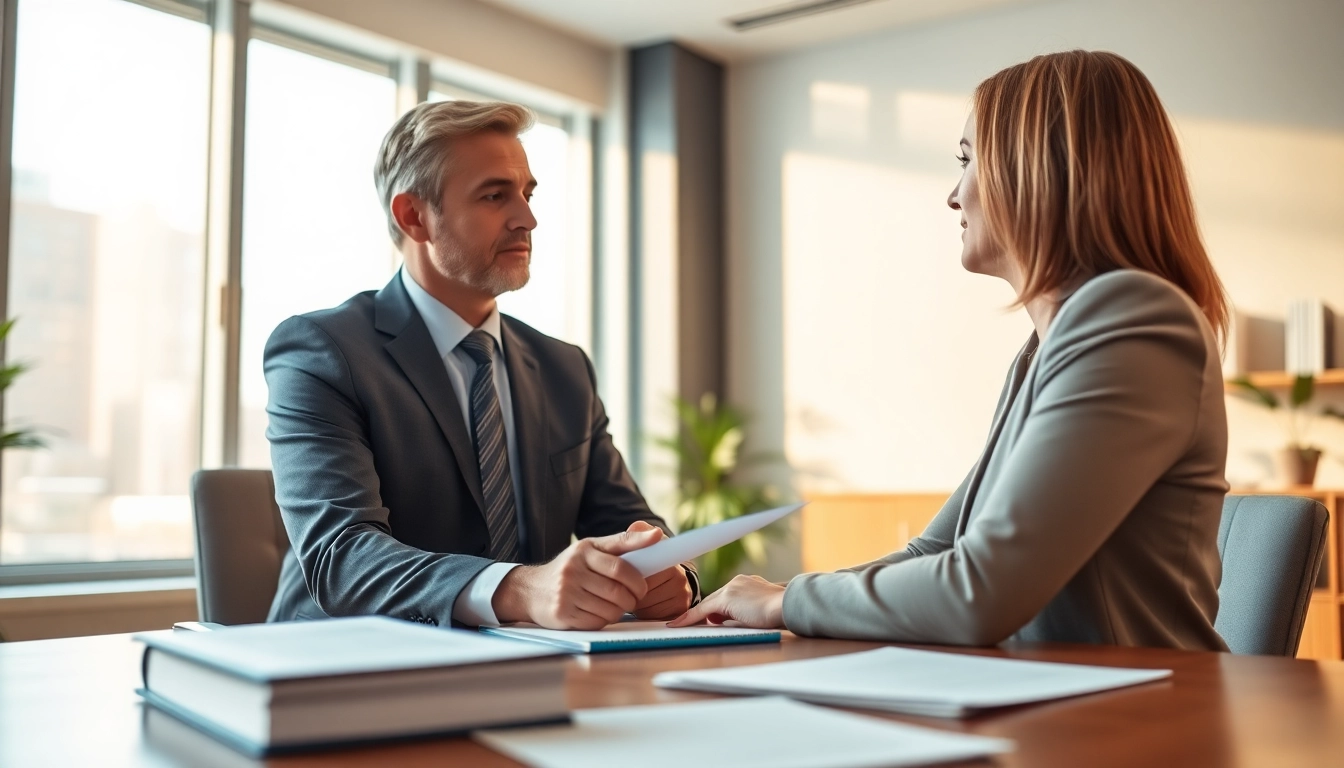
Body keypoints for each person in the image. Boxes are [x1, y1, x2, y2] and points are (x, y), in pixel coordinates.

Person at [670, 50, 1231, 651]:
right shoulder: (1043, 351)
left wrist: (785, 601)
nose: (953, 196)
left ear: (1037, 169)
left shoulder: (1134, 320)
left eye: (967, 161)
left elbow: (978, 593)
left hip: (1144, 725)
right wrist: (779, 597)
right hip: (1058, 709)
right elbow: (934, 552)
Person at [265, 100, 696, 629]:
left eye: (527, 194)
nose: (528, 218)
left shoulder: (563, 368)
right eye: (495, 196)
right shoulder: (323, 352)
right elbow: (342, 559)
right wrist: (517, 589)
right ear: (413, 217)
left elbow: (631, 525)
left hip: (523, 668)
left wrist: (667, 576)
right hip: (340, 670)